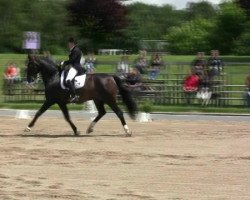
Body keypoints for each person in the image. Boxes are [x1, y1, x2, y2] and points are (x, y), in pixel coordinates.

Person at [63, 37, 84, 102]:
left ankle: (74, 95)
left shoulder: (75, 50)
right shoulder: (74, 49)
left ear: (72, 43)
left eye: (69, 43)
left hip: (76, 67)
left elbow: (72, 60)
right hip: (74, 66)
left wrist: (64, 62)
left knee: (68, 79)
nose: (68, 44)